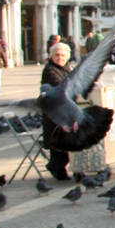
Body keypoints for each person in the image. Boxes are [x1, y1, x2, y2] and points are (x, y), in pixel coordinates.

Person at [42, 42, 73, 180]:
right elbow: (59, 85)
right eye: (56, 55)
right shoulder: (50, 70)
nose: (60, 57)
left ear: (67, 56)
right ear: (51, 56)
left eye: (62, 55)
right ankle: (56, 167)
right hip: (54, 114)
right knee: (59, 141)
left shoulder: (66, 68)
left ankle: (60, 166)